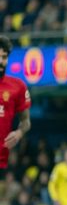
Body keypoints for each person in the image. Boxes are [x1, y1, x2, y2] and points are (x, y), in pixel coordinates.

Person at [0, 35, 31, 194]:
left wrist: (19, 133)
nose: (0, 61)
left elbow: (26, 121)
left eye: (4, 57)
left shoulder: (17, 86)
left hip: (4, 158)